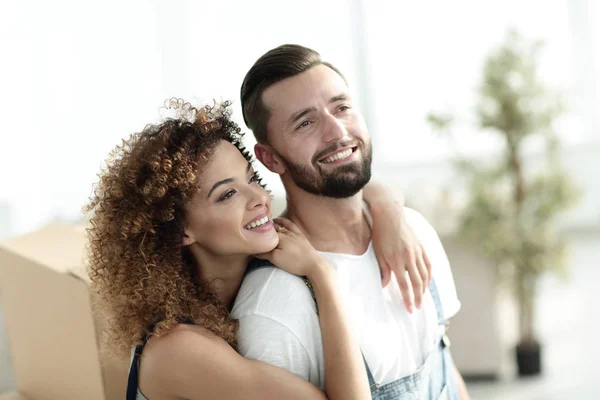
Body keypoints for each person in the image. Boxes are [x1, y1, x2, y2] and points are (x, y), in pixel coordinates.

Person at [85, 98, 426, 399]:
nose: (260, 199)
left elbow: (354, 191)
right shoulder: (179, 348)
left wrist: (387, 211)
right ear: (181, 231)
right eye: (227, 194)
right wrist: (323, 275)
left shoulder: (246, 276)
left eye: (252, 179)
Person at [233, 44, 471, 399]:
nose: (336, 132)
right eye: (305, 122)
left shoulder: (413, 231)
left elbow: (447, 370)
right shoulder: (273, 306)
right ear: (270, 158)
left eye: (341, 107)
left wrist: (388, 206)